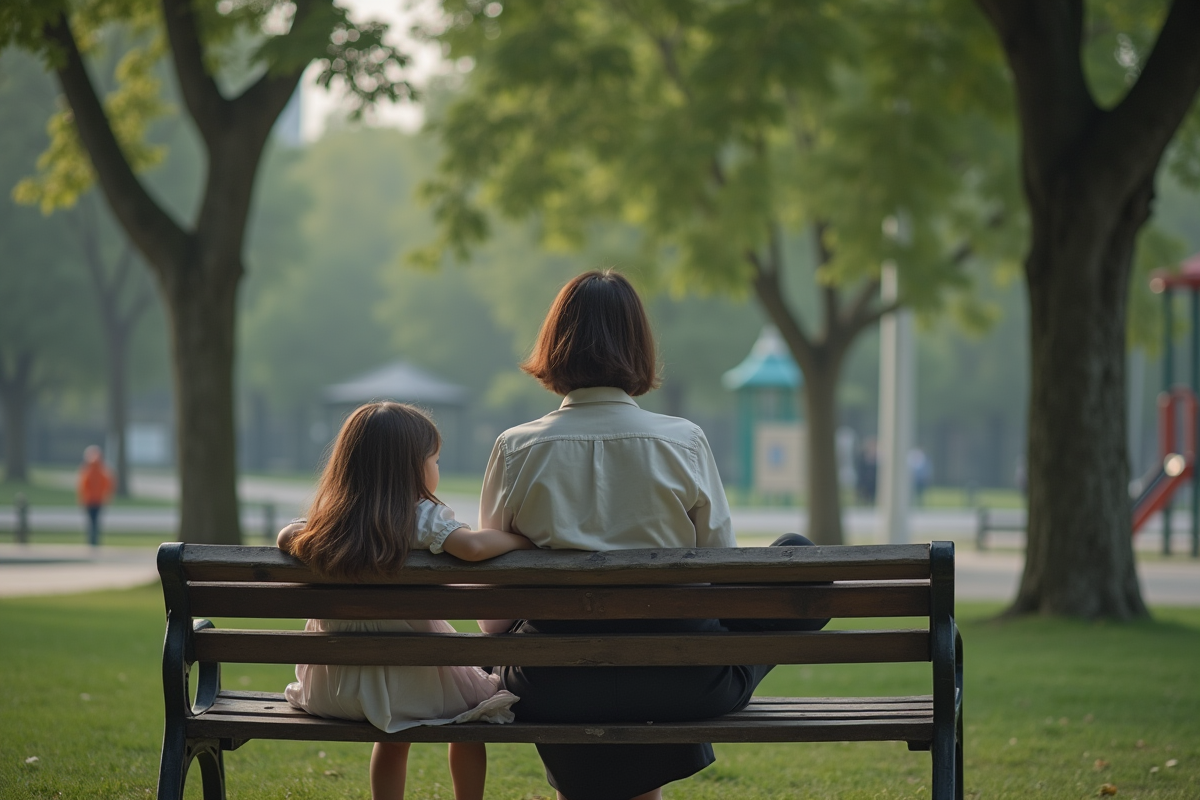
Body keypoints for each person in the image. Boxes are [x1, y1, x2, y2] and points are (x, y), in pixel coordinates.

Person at [479, 270, 829, 800]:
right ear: (639, 346)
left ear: (554, 344)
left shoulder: (516, 448)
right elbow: (723, 574)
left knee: (551, 656)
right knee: (797, 560)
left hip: (554, 687)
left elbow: (492, 620)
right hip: (687, 684)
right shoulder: (684, 442)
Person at [276, 402, 536, 800]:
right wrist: (522, 538)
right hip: (410, 686)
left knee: (392, 735)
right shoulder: (421, 517)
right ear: (412, 467)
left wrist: (297, 534)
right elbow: (472, 546)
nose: (437, 467)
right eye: (434, 458)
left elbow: (286, 536)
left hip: (334, 691)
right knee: (471, 717)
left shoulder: (329, 521)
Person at [77, 445, 114, 546]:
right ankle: (94, 540)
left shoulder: (88, 470)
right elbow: (107, 485)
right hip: (97, 500)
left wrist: (84, 498)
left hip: (92, 500)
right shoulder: (101, 471)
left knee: (92, 522)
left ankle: (92, 540)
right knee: (95, 522)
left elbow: (83, 486)